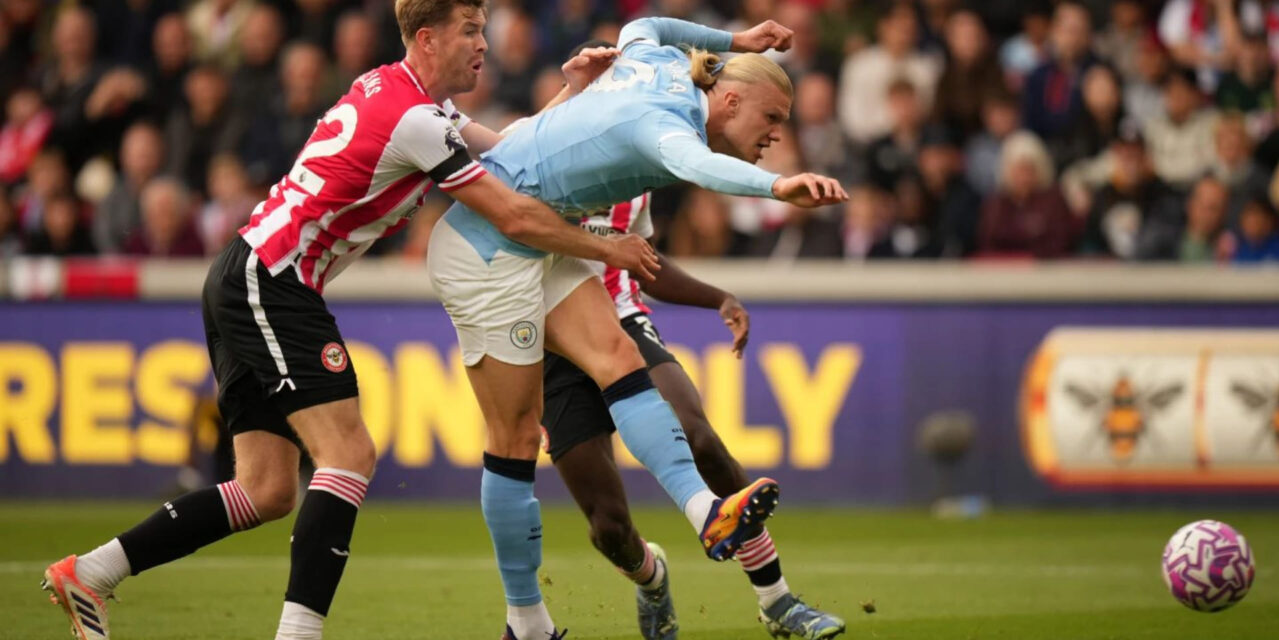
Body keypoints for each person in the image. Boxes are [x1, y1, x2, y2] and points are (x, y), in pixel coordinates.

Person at [40, 2, 652, 639]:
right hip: (273, 281)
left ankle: (92, 572)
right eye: (470, 31)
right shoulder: (415, 119)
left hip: (249, 273)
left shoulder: (406, 96)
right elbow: (515, 214)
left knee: (269, 489)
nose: (483, 45)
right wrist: (610, 248)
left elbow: (512, 153)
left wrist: (570, 92)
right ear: (428, 38)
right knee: (349, 454)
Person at [426, 15, 847, 640]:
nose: (776, 137)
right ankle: (535, 619)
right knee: (542, 467)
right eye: (771, 121)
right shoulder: (660, 130)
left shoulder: (659, 69)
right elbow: (703, 168)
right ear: (728, 99)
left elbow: (642, 25)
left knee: (637, 376)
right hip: (488, 255)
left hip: (552, 260)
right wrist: (780, 186)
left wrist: (737, 41)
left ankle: (736, 549)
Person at [542, 193, 847, 639]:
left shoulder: (633, 173)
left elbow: (643, 261)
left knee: (698, 438)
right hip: (553, 343)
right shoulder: (527, 154)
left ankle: (777, 600)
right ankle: (651, 576)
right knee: (608, 527)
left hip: (622, 320)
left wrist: (717, 297)